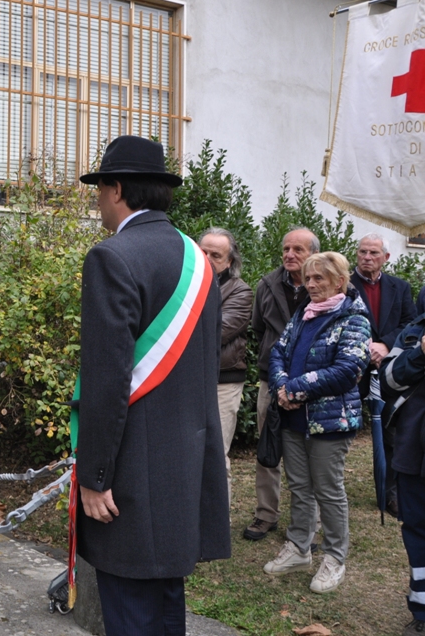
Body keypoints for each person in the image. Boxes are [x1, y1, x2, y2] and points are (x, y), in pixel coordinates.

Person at [75, 135, 230, 636]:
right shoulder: (197, 259)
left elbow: (107, 380)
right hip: (182, 469)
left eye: (100, 187)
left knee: (132, 612)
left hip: (129, 480)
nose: (97, 199)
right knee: (165, 610)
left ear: (117, 189)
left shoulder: (112, 257)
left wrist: (95, 477)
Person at [263, 252, 370, 593]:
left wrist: (293, 388)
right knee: (299, 486)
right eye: (308, 279)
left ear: (339, 281)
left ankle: (335, 558)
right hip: (295, 416)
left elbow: (347, 371)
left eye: (318, 279)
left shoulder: (354, 319)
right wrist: (280, 385)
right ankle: (298, 548)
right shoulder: (303, 314)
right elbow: (279, 350)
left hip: (330, 421)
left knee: (328, 489)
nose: (310, 284)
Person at [245, 228, 318, 541]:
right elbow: (259, 327)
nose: (290, 254)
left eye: (297, 249)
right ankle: (266, 515)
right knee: (268, 450)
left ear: (313, 253)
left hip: (314, 386)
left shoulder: (326, 284)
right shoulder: (267, 284)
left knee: (310, 456)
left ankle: (307, 525)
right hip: (270, 382)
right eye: (286, 248)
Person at [350, 233, 415, 516]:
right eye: (363, 252)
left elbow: (411, 323)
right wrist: (363, 344)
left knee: (391, 435)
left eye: (374, 253)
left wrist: (385, 343)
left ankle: (389, 494)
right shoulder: (344, 284)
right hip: (351, 369)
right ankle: (330, 494)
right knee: (341, 433)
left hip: (386, 369)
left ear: (386, 258)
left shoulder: (400, 287)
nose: (367, 257)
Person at [379, 311, 425, 635]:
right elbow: (388, 380)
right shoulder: (413, 332)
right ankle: (422, 611)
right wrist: (420, 352)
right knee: (417, 530)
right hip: (413, 451)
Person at [198, 228, 252, 503]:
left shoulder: (240, 291)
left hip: (223, 381)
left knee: (216, 453)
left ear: (229, 262)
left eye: (215, 255)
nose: (207, 258)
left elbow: (216, 333)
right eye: (203, 251)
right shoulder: (184, 283)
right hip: (188, 379)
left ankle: (218, 523)